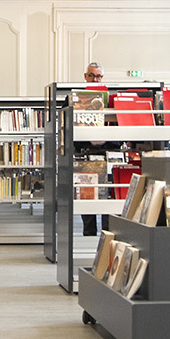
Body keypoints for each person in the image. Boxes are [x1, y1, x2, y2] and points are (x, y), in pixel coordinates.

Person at [76, 62, 110, 236]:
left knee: (107, 197)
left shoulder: (109, 99)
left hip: (107, 154)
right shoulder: (76, 98)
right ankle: (88, 235)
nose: (95, 79)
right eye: (91, 75)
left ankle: (107, 236)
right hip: (85, 153)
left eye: (98, 76)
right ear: (85, 76)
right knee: (87, 197)